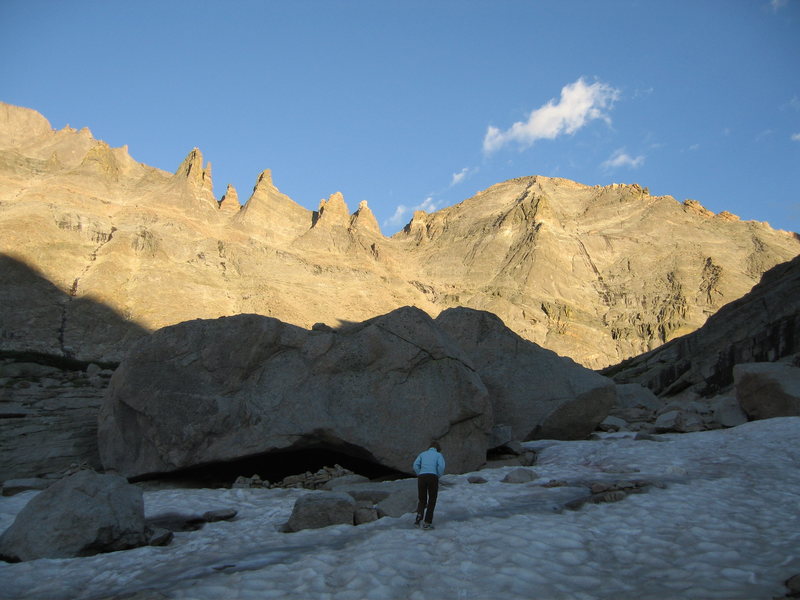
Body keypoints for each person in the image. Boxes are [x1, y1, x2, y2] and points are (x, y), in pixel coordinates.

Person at [412, 440, 445, 529]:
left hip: (422, 477)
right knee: (432, 499)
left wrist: (419, 473)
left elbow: (415, 465)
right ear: (438, 449)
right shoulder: (438, 455)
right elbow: (441, 466)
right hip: (432, 477)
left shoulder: (422, 454)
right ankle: (427, 522)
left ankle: (418, 518)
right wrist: (437, 475)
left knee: (422, 499)